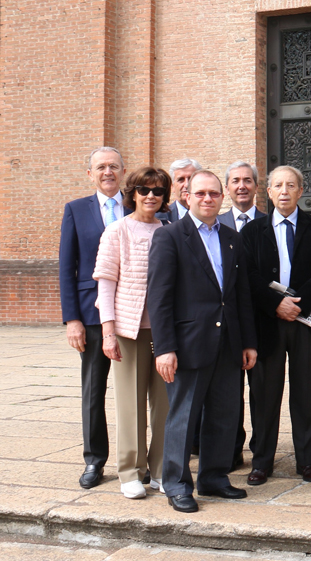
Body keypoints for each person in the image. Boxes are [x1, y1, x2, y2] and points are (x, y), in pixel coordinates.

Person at [147, 170, 258, 513]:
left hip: (227, 343)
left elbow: (240, 295)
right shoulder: (170, 237)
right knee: (183, 416)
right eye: (200, 194)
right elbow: (160, 297)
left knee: (224, 415)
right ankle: (177, 483)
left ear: (221, 197)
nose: (207, 199)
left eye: (213, 194)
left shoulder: (231, 237)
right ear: (187, 196)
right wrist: (164, 348)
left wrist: (248, 342)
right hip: (188, 343)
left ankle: (214, 476)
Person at [242, 166, 311, 485]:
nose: (284, 191)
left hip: (306, 323)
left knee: (306, 393)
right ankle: (262, 462)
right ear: (267, 192)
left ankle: (305, 461)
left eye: (290, 185)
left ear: (300, 191)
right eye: (278, 185)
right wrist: (275, 304)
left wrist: (298, 305)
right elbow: (249, 275)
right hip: (267, 322)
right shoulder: (252, 231)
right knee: (264, 394)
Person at [92, 167, 171, 499]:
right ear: (132, 193)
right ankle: (131, 471)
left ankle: (163, 469)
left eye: (157, 190)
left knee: (166, 405)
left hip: (166, 331)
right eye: (144, 189)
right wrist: (108, 333)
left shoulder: (172, 231)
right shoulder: (117, 231)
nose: (150, 196)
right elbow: (105, 286)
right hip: (128, 330)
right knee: (131, 404)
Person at [60, 147, 128, 489]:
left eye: (113, 166)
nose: (107, 172)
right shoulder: (76, 210)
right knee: (93, 389)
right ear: (90, 174)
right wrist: (71, 318)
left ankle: (139, 460)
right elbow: (66, 266)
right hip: (90, 314)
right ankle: (94, 460)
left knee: (138, 388)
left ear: (123, 171)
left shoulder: (138, 206)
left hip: (134, 311)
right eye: (101, 167)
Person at [215, 160, 266, 469]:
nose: (242, 186)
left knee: (261, 390)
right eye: (236, 181)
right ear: (227, 188)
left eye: (248, 180)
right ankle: (232, 449)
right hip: (228, 324)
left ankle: (261, 448)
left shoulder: (270, 221)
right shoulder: (215, 224)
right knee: (229, 392)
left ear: (257, 187)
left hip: (261, 321)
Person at [157, 158, 201, 223]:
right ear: (172, 187)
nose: (186, 185)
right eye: (181, 180)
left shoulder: (212, 217)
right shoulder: (159, 218)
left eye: (191, 178)